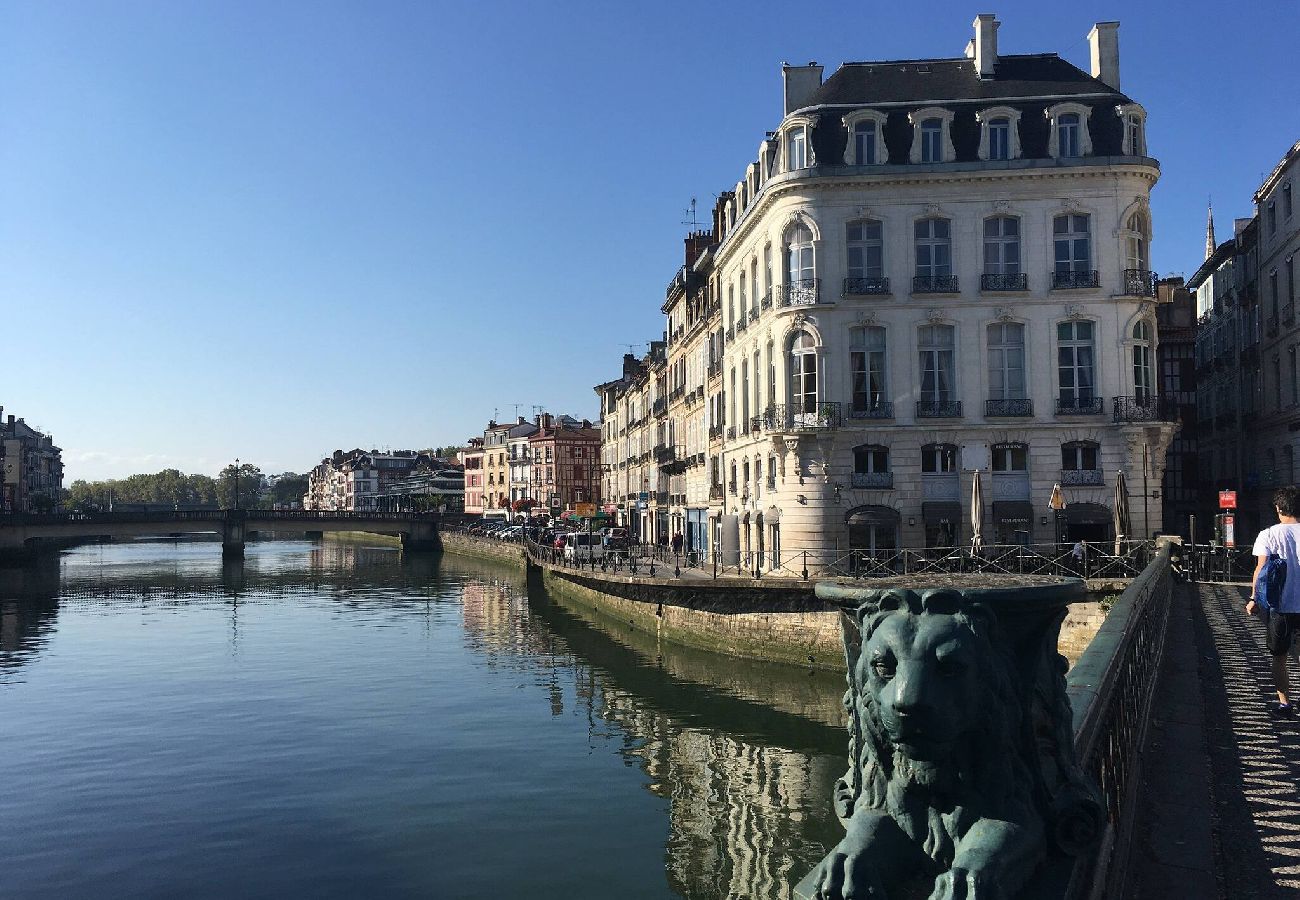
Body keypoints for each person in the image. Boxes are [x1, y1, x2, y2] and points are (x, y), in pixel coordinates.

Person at [1248, 485, 1300, 718]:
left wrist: (1253, 599)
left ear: (1278, 508)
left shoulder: (1268, 534)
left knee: (1279, 657)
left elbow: (1261, 569)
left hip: (1280, 605)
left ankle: (1285, 705)